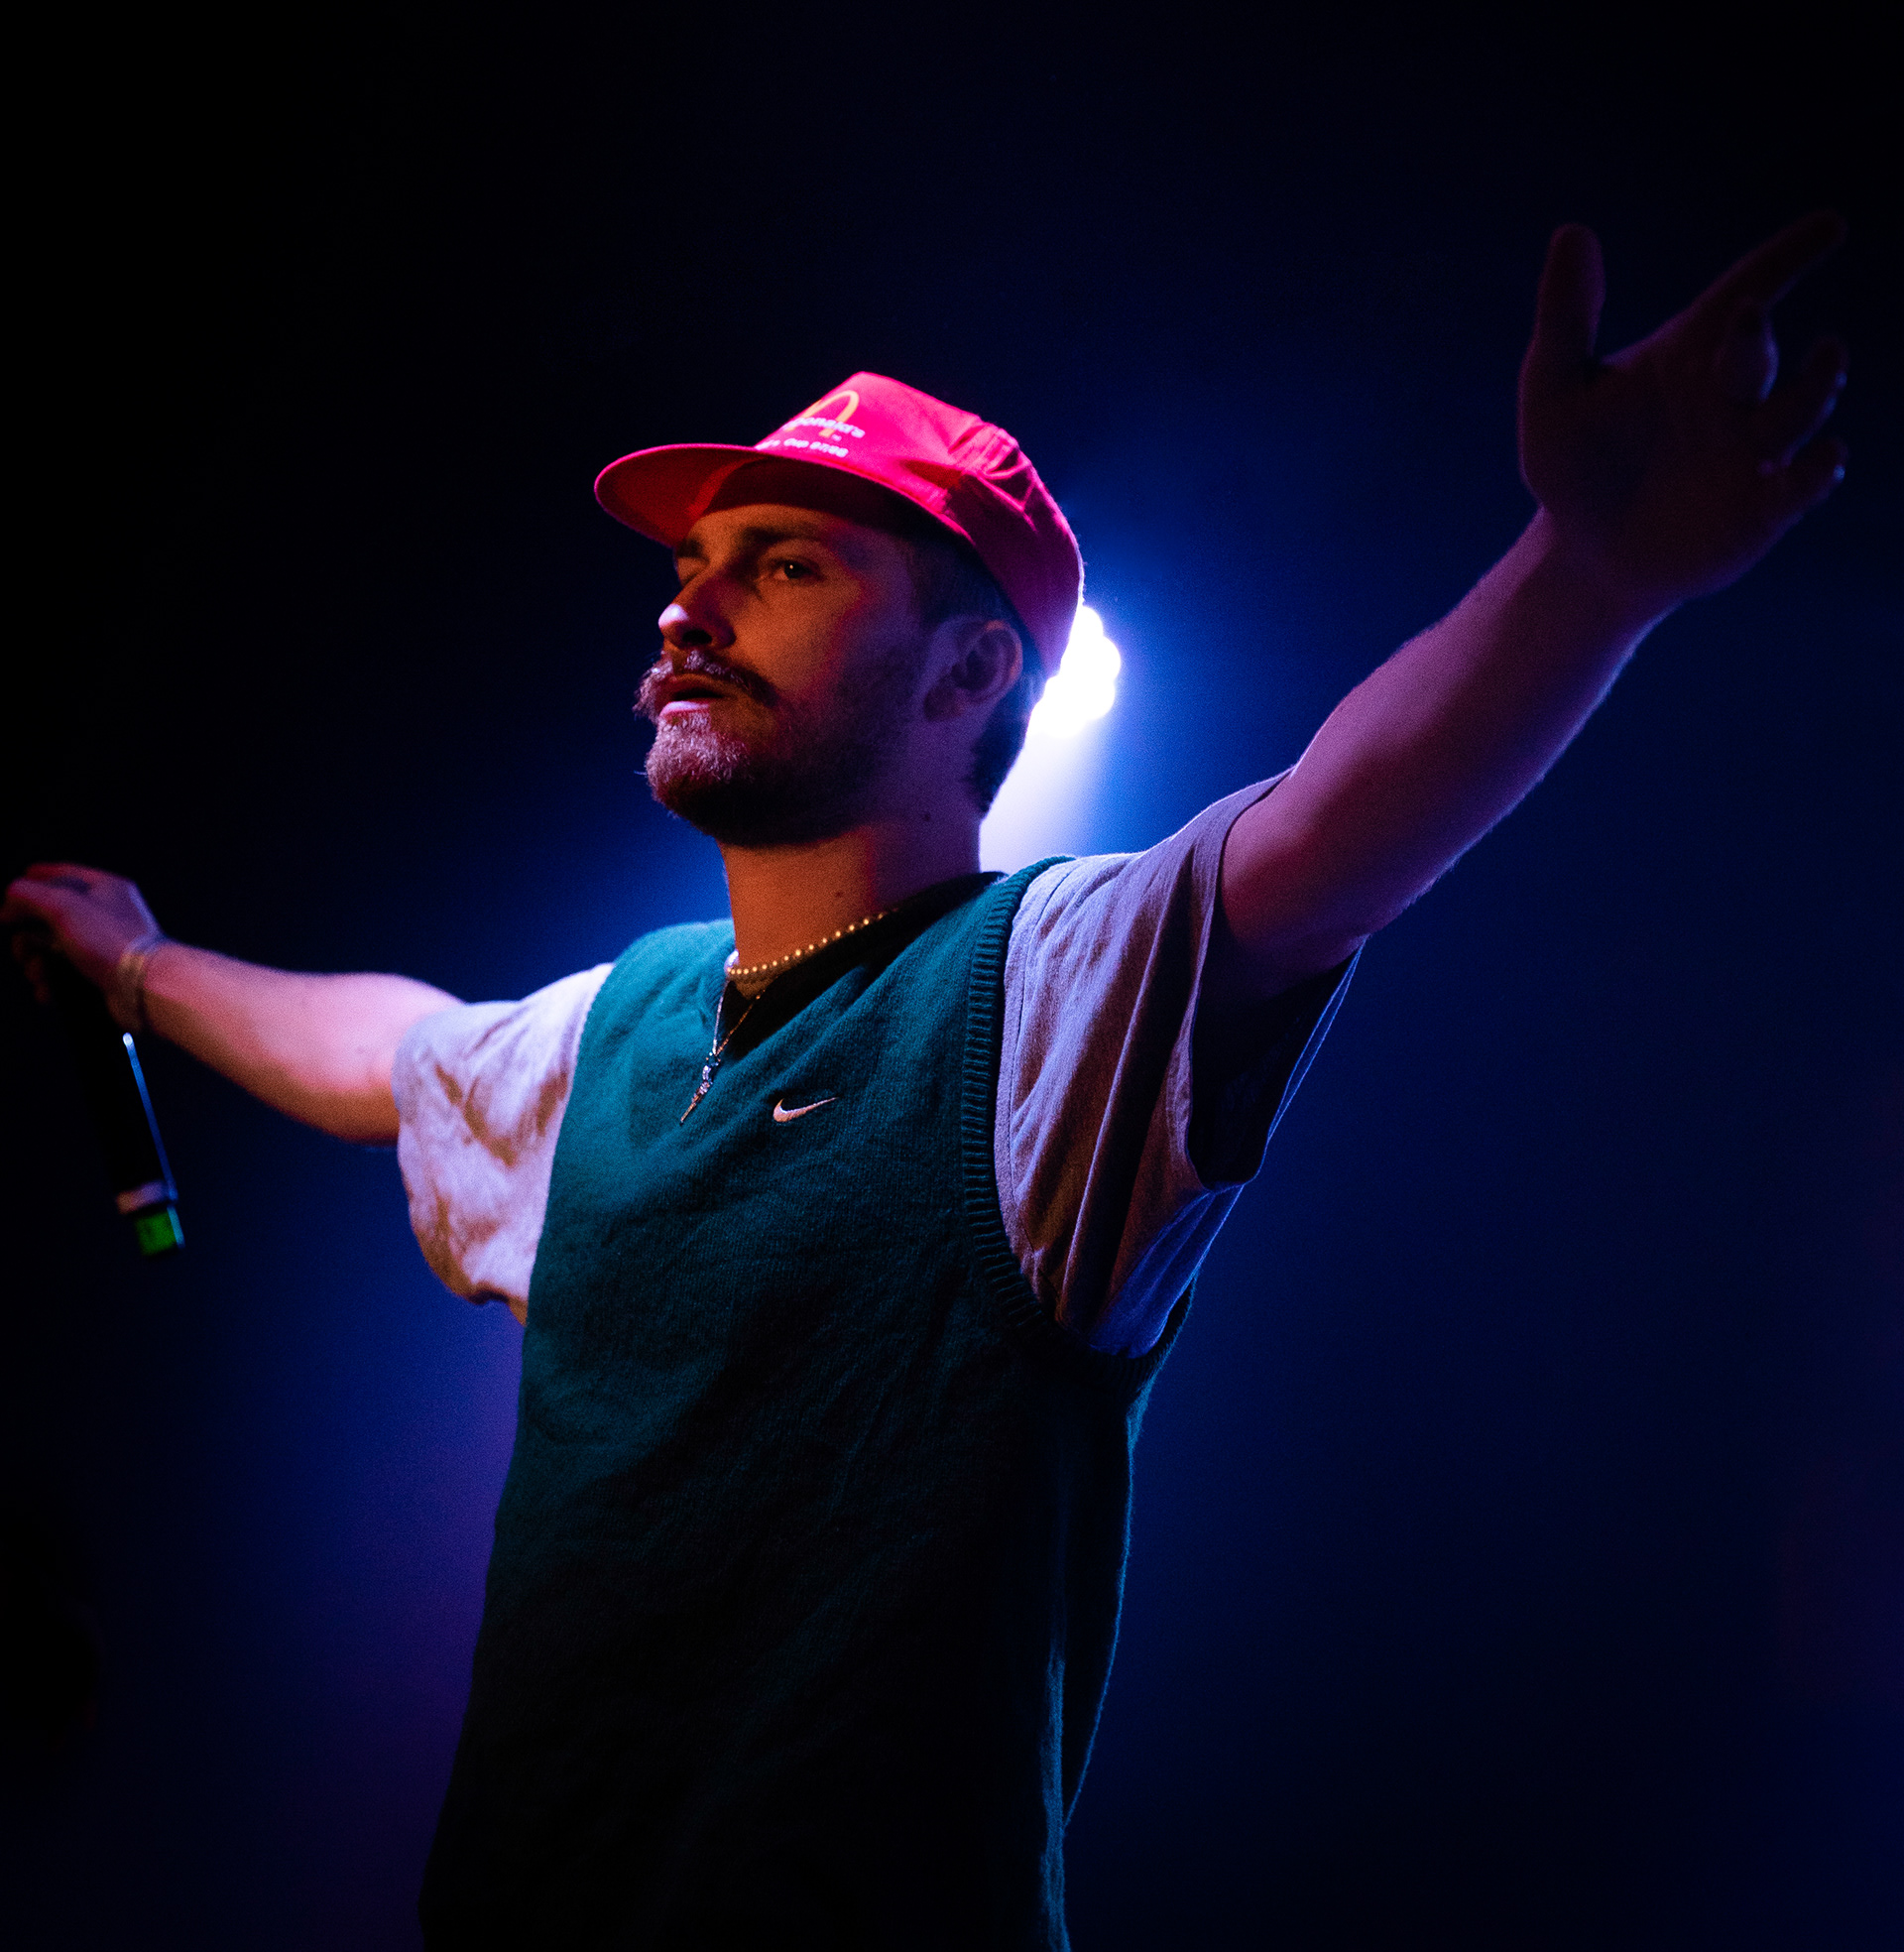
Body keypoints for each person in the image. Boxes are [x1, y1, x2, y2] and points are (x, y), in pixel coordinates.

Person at [7, 214, 1850, 1947]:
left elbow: (1329, 837)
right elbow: (388, 1053)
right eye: (691, 570)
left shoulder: (1043, 991)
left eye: (784, 567)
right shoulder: (626, 1024)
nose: (691, 611)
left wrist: (1584, 576)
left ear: (971, 671)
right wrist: (140, 966)